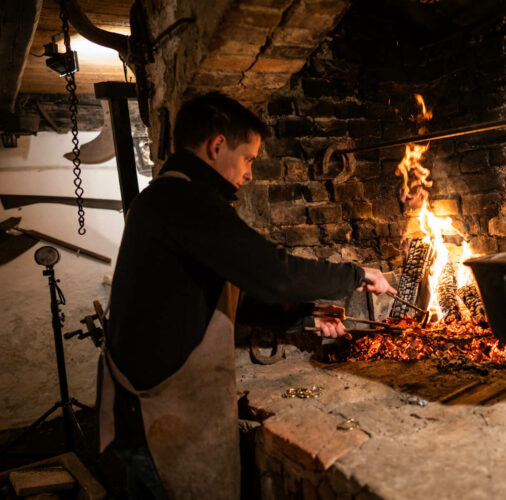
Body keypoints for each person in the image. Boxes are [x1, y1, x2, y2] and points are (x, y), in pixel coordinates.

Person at [98, 92, 395, 499]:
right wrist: (355, 274)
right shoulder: (182, 201)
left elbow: (232, 293)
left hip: (161, 409)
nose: (250, 173)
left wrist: (307, 318)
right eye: (250, 158)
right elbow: (273, 272)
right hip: (159, 415)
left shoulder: (169, 200)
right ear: (217, 146)